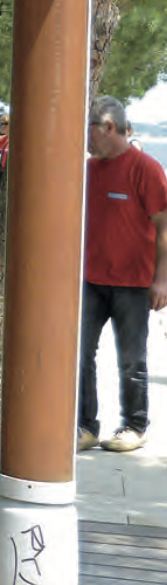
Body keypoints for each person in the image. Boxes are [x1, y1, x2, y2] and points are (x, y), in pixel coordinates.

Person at [78, 96, 167, 453]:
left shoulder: (146, 168)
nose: (86, 142)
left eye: (89, 133)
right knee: (79, 352)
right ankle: (85, 426)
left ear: (108, 128)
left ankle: (135, 425)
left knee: (131, 359)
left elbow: (164, 227)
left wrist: (162, 280)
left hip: (133, 284)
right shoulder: (89, 170)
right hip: (90, 280)